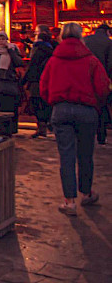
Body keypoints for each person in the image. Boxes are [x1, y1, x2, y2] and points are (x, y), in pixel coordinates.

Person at [40, 22, 110, 215]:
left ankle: (69, 201)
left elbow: (43, 86)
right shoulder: (91, 60)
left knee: (66, 156)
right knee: (86, 154)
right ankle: (86, 193)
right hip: (87, 111)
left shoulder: (54, 59)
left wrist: (55, 103)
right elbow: (103, 87)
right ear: (81, 36)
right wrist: (96, 104)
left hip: (61, 110)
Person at [0, 31, 25, 135]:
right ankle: (0, 131)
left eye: (3, 39)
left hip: (10, 84)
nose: (1, 41)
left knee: (10, 110)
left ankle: (9, 131)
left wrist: (11, 51)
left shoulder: (13, 50)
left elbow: (19, 63)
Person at [24, 25, 57, 139]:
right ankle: (48, 125)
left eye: (36, 33)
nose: (35, 35)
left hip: (36, 80)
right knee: (46, 103)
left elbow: (32, 65)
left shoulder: (38, 48)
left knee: (37, 104)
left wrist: (24, 80)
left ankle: (42, 127)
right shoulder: (54, 46)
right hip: (50, 80)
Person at [82, 23, 112, 145]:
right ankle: (101, 134)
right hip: (101, 76)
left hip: (84, 77)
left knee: (86, 104)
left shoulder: (85, 40)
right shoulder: (109, 42)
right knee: (101, 104)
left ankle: (86, 135)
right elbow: (110, 63)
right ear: (107, 31)